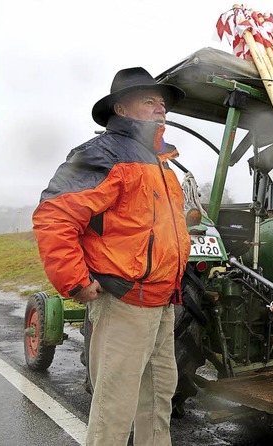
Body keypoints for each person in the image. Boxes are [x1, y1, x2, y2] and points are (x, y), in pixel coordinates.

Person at [33, 67, 191, 445]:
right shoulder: (101, 154)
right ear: (121, 108)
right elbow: (55, 214)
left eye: (162, 103)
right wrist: (75, 281)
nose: (161, 109)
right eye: (149, 101)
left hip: (163, 304)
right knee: (114, 411)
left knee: (157, 405)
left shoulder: (162, 164)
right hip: (123, 304)